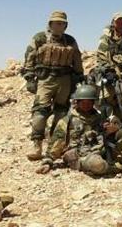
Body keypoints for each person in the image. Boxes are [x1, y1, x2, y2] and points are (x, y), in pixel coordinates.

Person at [22, 10, 83, 161]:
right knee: (40, 112)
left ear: (65, 26)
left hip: (65, 80)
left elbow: (77, 59)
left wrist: (79, 77)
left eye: (62, 23)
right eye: (56, 23)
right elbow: (29, 57)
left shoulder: (70, 40)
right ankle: (37, 146)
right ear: (50, 24)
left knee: (61, 114)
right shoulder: (40, 38)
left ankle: (55, 145)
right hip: (45, 79)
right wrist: (29, 77)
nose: (58, 25)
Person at [36, 85, 108, 175]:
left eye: (89, 102)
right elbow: (57, 142)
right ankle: (115, 168)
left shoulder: (100, 118)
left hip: (100, 151)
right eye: (83, 102)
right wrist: (48, 162)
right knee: (97, 164)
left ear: (93, 102)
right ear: (77, 102)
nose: (86, 105)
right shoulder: (67, 120)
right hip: (78, 155)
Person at [94, 12, 122, 122]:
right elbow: (101, 56)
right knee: (106, 102)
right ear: (113, 23)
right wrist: (108, 70)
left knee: (121, 102)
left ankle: (118, 127)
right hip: (109, 75)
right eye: (118, 22)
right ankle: (105, 126)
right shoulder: (106, 39)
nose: (120, 24)